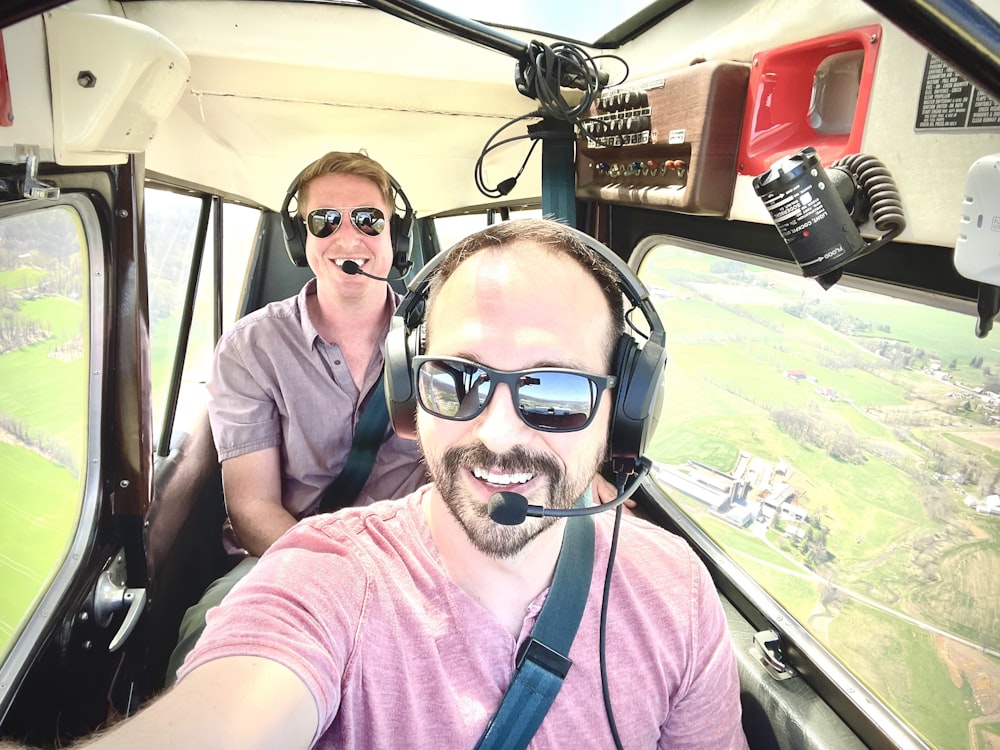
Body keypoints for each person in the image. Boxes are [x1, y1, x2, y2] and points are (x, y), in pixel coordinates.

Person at [33, 218, 747, 749]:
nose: (498, 435)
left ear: (622, 413)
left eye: (553, 392)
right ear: (411, 393)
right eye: (455, 380)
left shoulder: (675, 592)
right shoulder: (327, 577)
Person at [166, 151, 430, 680]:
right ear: (301, 240)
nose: (348, 237)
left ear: (394, 239)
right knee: (208, 633)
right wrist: (341, 576)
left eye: (368, 219)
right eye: (325, 221)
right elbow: (252, 506)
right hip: (286, 551)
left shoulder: (441, 339)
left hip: (420, 557)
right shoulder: (253, 348)